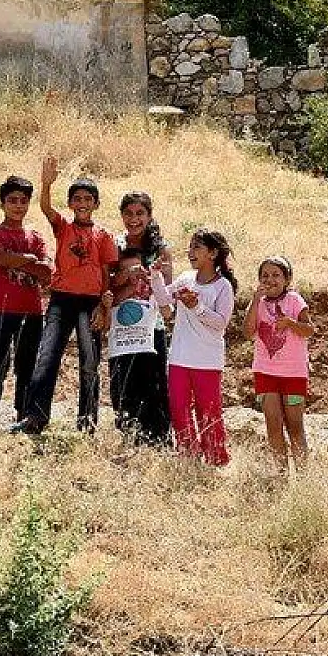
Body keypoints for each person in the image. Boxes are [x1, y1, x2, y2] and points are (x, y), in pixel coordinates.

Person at [13, 156, 119, 435]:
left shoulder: (104, 235)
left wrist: (103, 306)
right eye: (77, 199)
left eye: (88, 199)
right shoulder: (64, 227)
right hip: (61, 299)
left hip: (90, 303)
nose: (82, 203)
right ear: (71, 203)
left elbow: (106, 273)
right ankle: (35, 417)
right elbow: (46, 208)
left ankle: (87, 422)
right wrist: (46, 184)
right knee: (47, 356)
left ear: (96, 204)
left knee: (89, 361)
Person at [152, 229, 237, 466]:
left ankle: (215, 459)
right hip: (179, 357)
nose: (190, 252)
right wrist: (156, 276)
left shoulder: (223, 286)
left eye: (197, 247)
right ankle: (187, 456)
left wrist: (197, 306)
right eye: (190, 247)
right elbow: (163, 300)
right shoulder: (186, 278)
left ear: (213, 253)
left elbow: (221, 324)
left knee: (208, 412)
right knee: (178, 409)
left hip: (207, 360)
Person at [0, 175, 53, 425]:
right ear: (2, 203)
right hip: (0, 308)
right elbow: (1, 259)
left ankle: (24, 414)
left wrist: (21, 259)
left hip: (31, 311)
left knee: (27, 364)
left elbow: (47, 272)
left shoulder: (35, 236)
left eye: (23, 200)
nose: (18, 205)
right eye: (12, 200)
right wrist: (31, 260)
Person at [245, 255, 313, 474]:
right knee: (273, 425)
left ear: (287, 279)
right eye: (265, 275)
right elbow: (247, 333)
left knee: (295, 426)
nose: (270, 280)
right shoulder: (258, 303)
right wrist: (255, 301)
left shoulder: (295, 300)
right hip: (265, 372)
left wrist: (291, 323)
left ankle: (304, 478)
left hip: (293, 373)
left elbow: (309, 330)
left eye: (276, 275)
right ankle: (281, 475)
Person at [114, 192, 173, 442]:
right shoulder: (115, 245)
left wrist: (153, 276)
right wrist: (127, 278)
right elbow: (107, 285)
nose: (134, 219)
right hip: (122, 327)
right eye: (129, 213)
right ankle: (129, 436)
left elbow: (168, 290)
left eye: (140, 214)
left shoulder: (161, 249)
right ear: (122, 215)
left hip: (153, 327)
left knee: (155, 383)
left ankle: (159, 438)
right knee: (124, 383)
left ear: (149, 216)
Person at [100, 248, 168, 443]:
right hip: (120, 354)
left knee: (151, 396)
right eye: (127, 270)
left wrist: (153, 277)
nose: (134, 273)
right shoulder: (111, 297)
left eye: (137, 268)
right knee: (123, 397)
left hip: (146, 353)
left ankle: (155, 439)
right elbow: (104, 325)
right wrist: (122, 291)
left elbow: (166, 309)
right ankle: (129, 438)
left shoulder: (150, 292)